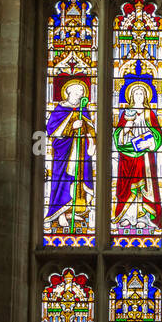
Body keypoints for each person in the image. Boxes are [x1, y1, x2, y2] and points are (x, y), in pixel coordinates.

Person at [46, 80, 95, 233]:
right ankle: (59, 213)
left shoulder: (83, 109)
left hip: (81, 152)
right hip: (64, 153)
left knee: (79, 181)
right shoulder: (60, 109)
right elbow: (51, 130)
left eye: (82, 91)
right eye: (78, 91)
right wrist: (71, 127)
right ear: (69, 92)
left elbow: (90, 129)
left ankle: (72, 212)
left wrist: (92, 144)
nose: (81, 94)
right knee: (62, 182)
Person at [113, 81, 161, 234]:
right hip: (127, 156)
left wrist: (150, 142)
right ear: (131, 96)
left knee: (144, 187)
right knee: (127, 186)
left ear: (146, 96)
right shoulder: (126, 114)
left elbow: (158, 135)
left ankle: (143, 217)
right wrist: (126, 127)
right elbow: (117, 136)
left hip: (145, 155)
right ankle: (126, 216)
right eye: (136, 93)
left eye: (141, 93)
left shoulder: (149, 113)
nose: (139, 96)